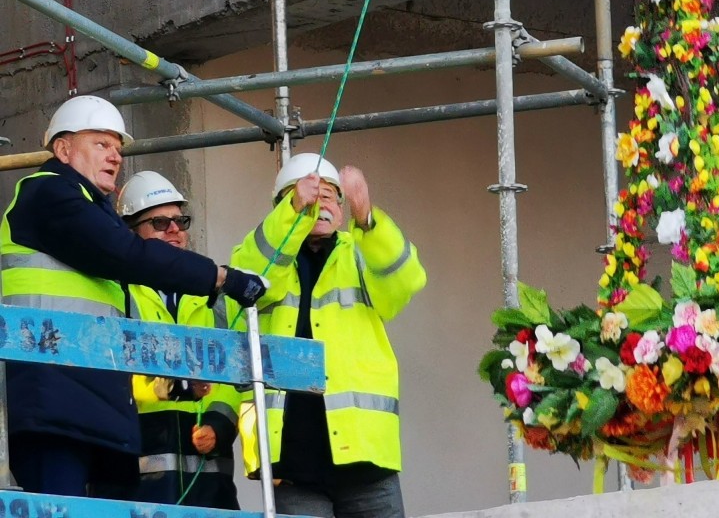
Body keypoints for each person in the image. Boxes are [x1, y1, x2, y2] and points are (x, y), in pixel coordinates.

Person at [0, 95, 267, 498]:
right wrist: (218, 277)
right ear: (62, 148)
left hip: (92, 404)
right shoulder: (47, 193)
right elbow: (127, 254)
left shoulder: (88, 208)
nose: (115, 156)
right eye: (101, 144)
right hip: (52, 402)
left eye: (118, 148)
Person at [232, 152, 427, 518]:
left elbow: (407, 279)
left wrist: (367, 219)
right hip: (291, 464)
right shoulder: (267, 255)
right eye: (309, 196)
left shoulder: (361, 252)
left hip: (366, 460)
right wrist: (291, 214)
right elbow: (246, 275)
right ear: (283, 206)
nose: (321, 205)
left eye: (330, 197)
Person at [116, 171, 242, 509]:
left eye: (180, 220)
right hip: (140, 469)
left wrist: (220, 422)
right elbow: (115, 374)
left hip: (209, 473)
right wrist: (176, 386)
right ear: (131, 233)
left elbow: (232, 373)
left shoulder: (213, 297)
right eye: (160, 222)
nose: (175, 230)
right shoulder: (119, 294)